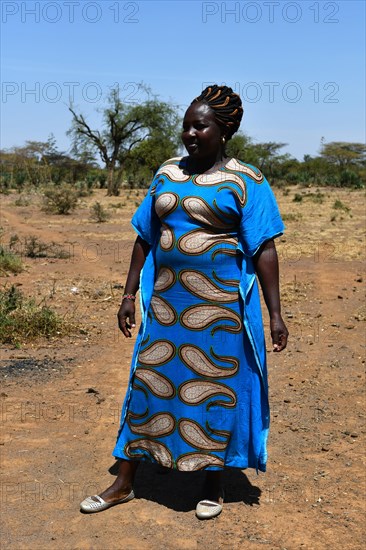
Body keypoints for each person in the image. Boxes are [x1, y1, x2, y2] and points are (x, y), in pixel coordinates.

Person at [80, 85, 288, 519]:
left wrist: (275, 314)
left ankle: (213, 482)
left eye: (201, 126)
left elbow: (264, 249)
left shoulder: (246, 181)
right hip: (166, 307)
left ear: (224, 130)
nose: (190, 133)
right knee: (148, 385)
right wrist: (128, 292)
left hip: (222, 313)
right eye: (187, 125)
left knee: (215, 391)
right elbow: (145, 235)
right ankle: (124, 481)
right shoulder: (166, 173)